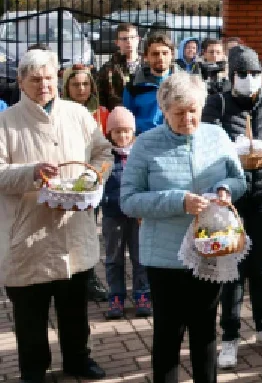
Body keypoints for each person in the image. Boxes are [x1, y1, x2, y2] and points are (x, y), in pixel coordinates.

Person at [120, 73, 247, 383]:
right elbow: (129, 201)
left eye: (193, 110)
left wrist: (224, 190)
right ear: (164, 110)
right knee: (168, 333)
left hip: (211, 249)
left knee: (205, 331)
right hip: (166, 257)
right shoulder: (147, 144)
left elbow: (239, 179)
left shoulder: (215, 135)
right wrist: (178, 201)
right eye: (179, 113)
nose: (188, 118)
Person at [0, 49, 111, 383]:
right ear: (21, 82)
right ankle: (34, 369)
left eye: (48, 78)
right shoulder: (6, 122)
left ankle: (78, 359)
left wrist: (93, 179)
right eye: (35, 79)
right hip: (27, 230)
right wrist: (32, 172)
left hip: (73, 226)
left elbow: (102, 152)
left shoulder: (78, 114)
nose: (43, 85)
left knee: (75, 305)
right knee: (30, 308)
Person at [204, 47, 262, 368]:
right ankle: (229, 335)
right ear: (231, 77)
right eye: (242, 74)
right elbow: (208, 148)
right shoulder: (217, 105)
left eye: (254, 73)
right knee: (232, 266)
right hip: (233, 197)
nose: (248, 80)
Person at [100, 106, 151, 320]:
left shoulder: (139, 155)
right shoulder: (105, 157)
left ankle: (142, 294)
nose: (122, 136)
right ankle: (116, 297)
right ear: (109, 133)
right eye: (117, 131)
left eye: (126, 131)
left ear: (133, 132)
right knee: (114, 258)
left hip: (137, 216)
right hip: (113, 215)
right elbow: (97, 184)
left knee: (140, 257)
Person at [124, 32, 179, 135]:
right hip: (144, 141)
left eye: (165, 53)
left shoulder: (183, 85)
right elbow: (127, 120)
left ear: (172, 55)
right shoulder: (133, 87)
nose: (160, 58)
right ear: (146, 57)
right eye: (155, 54)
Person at [98, 23, 140, 109]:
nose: (129, 41)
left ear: (138, 39)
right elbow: (100, 98)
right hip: (118, 115)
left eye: (132, 37)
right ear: (117, 42)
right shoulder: (108, 69)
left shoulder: (147, 65)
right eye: (124, 39)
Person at [63, 64, 109, 134]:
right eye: (76, 84)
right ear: (67, 88)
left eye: (85, 84)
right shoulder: (58, 115)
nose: (81, 88)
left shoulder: (103, 113)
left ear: (92, 86)